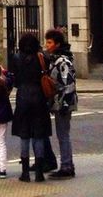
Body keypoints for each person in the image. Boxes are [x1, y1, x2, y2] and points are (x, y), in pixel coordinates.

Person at [10, 31, 52, 183]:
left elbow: (14, 81)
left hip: (23, 98)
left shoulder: (16, 58)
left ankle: (25, 173)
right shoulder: (42, 57)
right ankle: (40, 172)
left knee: (24, 135)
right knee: (39, 135)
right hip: (39, 98)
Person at [45, 29, 77, 179]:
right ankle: (67, 164)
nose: (47, 45)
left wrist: (63, 104)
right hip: (60, 102)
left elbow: (68, 84)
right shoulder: (57, 59)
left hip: (63, 103)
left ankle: (66, 166)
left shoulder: (62, 61)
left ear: (57, 44)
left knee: (63, 135)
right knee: (62, 134)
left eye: (50, 42)